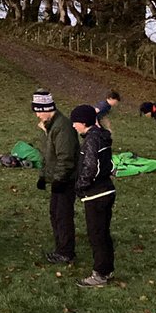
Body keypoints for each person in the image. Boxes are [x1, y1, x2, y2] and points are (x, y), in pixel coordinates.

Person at [69, 104, 117, 288]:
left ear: (83, 122)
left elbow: (90, 168)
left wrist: (79, 187)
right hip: (106, 192)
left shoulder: (91, 140)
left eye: (75, 122)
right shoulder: (100, 136)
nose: (73, 126)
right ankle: (106, 269)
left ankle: (100, 275)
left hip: (97, 195)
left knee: (97, 235)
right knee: (103, 233)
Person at [32, 89, 79, 265]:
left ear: (47, 108)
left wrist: (59, 180)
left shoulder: (62, 127)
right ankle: (61, 248)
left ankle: (66, 252)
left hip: (66, 180)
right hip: (57, 179)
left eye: (38, 110)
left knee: (62, 215)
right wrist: (43, 176)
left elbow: (65, 157)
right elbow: (47, 155)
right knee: (55, 213)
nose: (37, 115)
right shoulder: (49, 127)